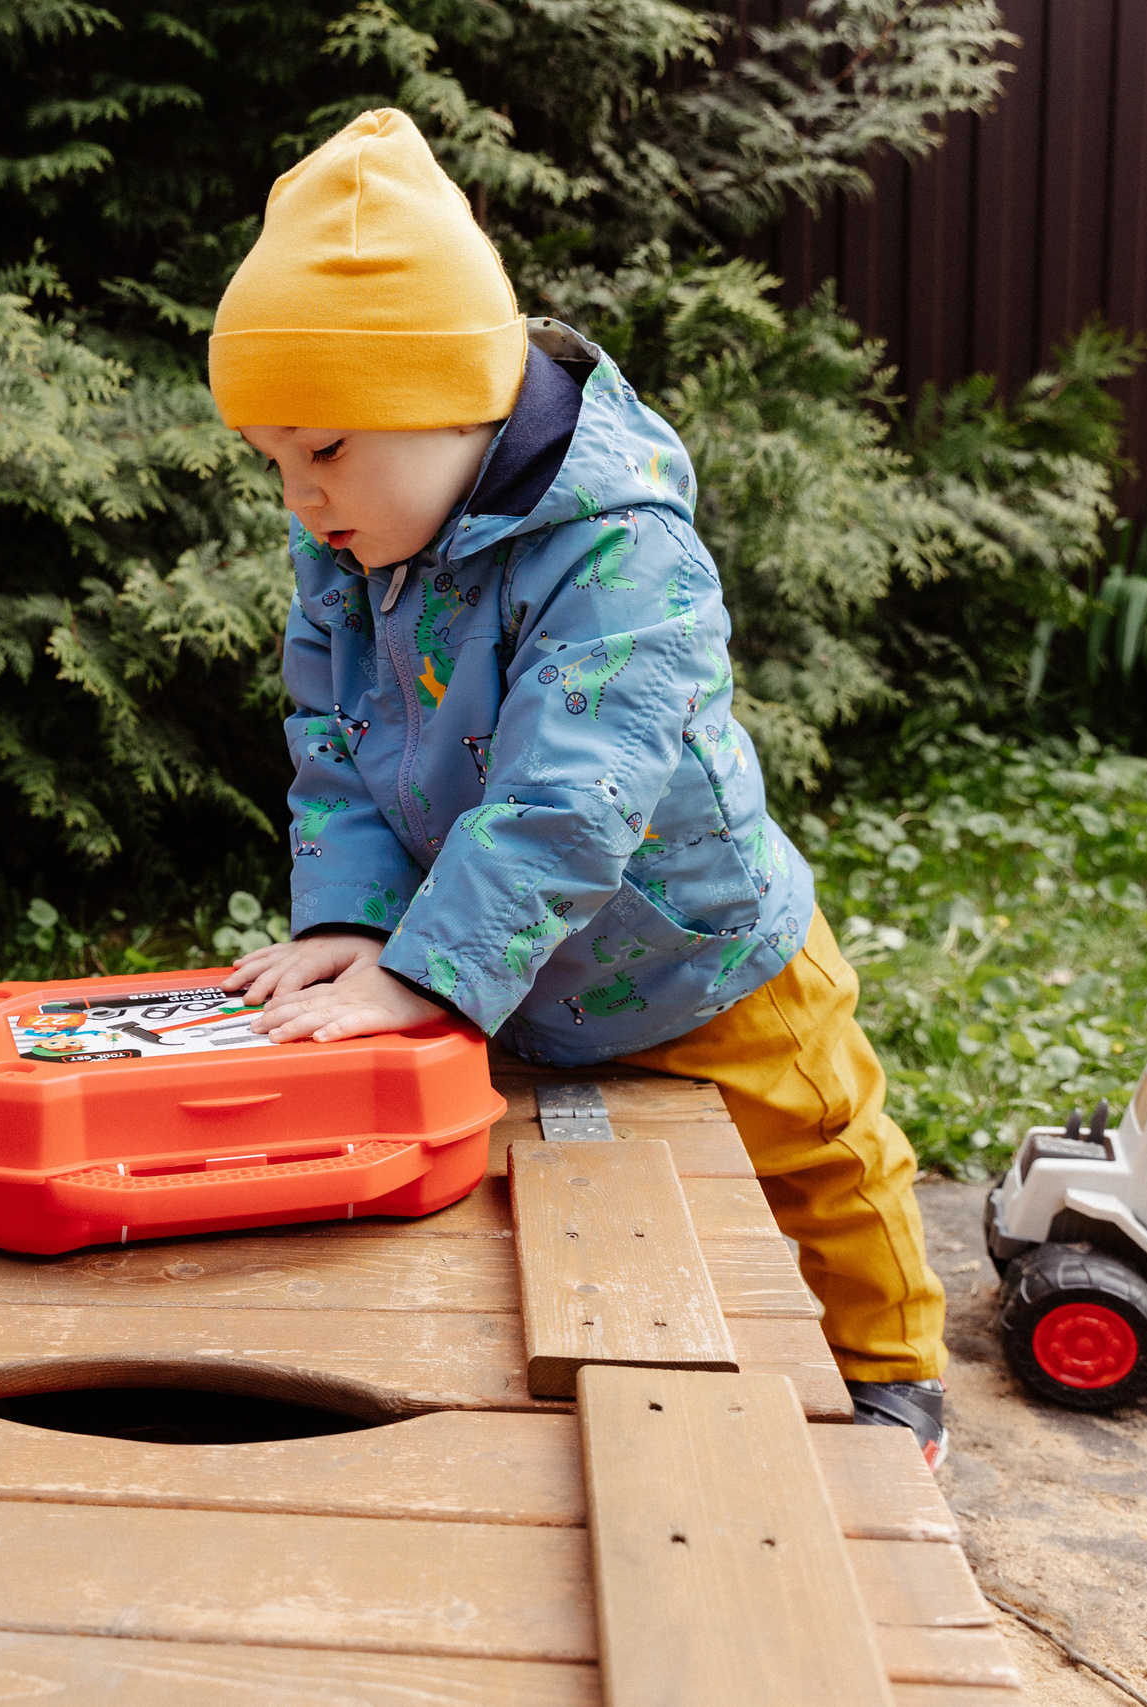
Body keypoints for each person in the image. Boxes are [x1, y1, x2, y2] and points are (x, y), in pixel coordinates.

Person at [210, 109, 950, 1466]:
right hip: (499, 966)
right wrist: (356, 924)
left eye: (324, 448)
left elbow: (573, 798)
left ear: (449, 399)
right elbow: (333, 739)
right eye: (272, 459)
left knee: (827, 1162)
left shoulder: (623, 552)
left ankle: (891, 1369)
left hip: (701, 957)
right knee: (533, 1191)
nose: (299, 499)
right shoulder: (353, 548)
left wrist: (431, 974)